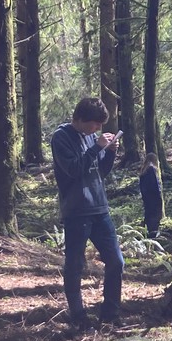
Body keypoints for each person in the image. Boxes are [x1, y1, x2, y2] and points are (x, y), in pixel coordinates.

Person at [52, 97, 124, 327]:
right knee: (75, 264)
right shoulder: (61, 137)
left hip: (100, 209)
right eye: (95, 124)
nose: (98, 129)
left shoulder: (93, 137)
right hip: (76, 211)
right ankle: (78, 315)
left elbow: (99, 171)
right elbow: (74, 170)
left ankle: (110, 314)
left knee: (116, 261)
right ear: (81, 120)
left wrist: (110, 151)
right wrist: (97, 147)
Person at [139, 152, 164, 239]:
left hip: (147, 199)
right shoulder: (151, 169)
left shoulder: (143, 170)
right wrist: (159, 197)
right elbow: (155, 185)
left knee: (149, 215)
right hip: (154, 198)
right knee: (155, 216)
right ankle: (153, 235)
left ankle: (149, 233)